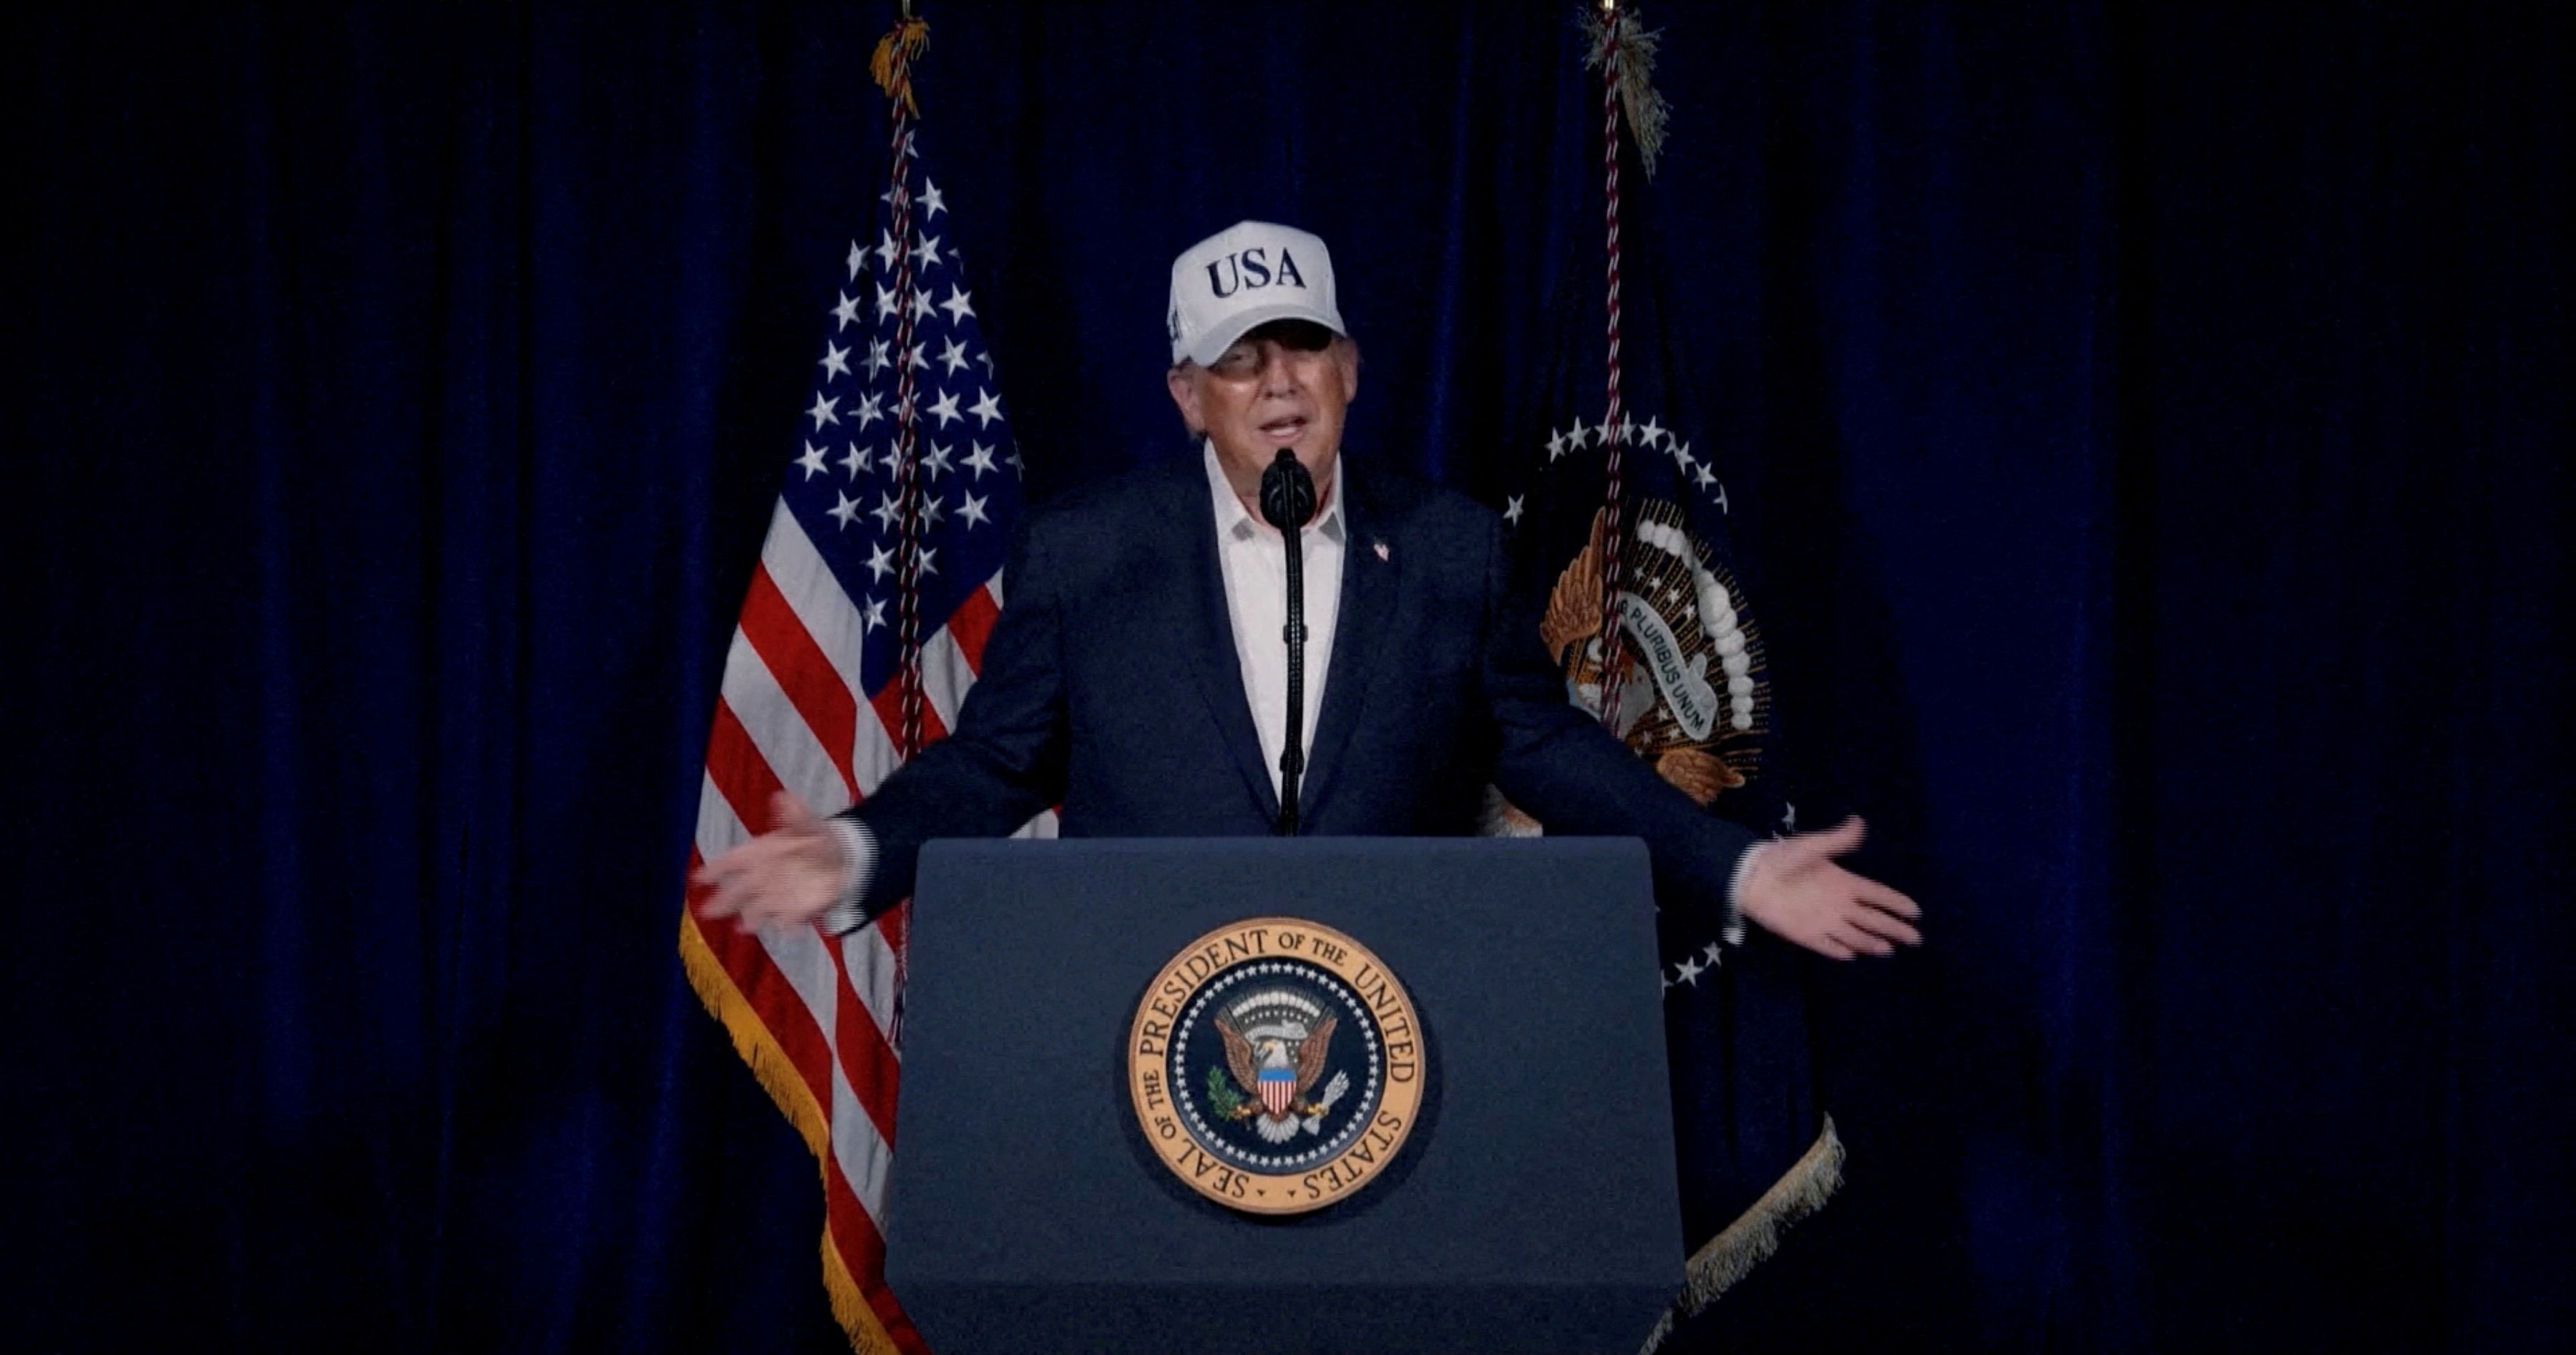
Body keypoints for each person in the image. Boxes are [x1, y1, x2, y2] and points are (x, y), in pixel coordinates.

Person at [697, 220, 1921, 963]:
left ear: (1350, 371)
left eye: (1302, 347)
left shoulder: (1450, 548)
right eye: (1240, 359)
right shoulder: (1088, 550)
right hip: (1145, 1023)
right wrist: (864, 848)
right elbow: (995, 763)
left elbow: (1545, 747)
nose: (1278, 383)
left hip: (1398, 1023)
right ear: (1188, 396)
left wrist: (1738, 867)